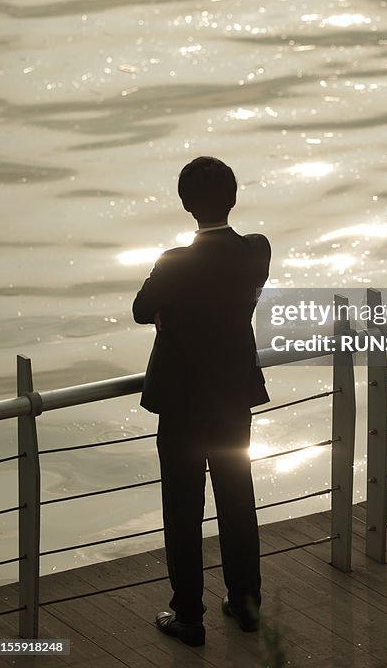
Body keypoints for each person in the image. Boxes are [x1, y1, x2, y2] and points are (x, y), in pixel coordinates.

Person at [132, 156, 271, 647]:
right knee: (238, 499)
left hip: (182, 399)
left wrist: (170, 314)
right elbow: (235, 295)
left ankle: (189, 614)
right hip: (234, 393)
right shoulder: (257, 250)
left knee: (183, 507)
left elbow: (139, 310)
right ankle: (247, 603)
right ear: (233, 198)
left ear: (185, 204)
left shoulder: (173, 262)